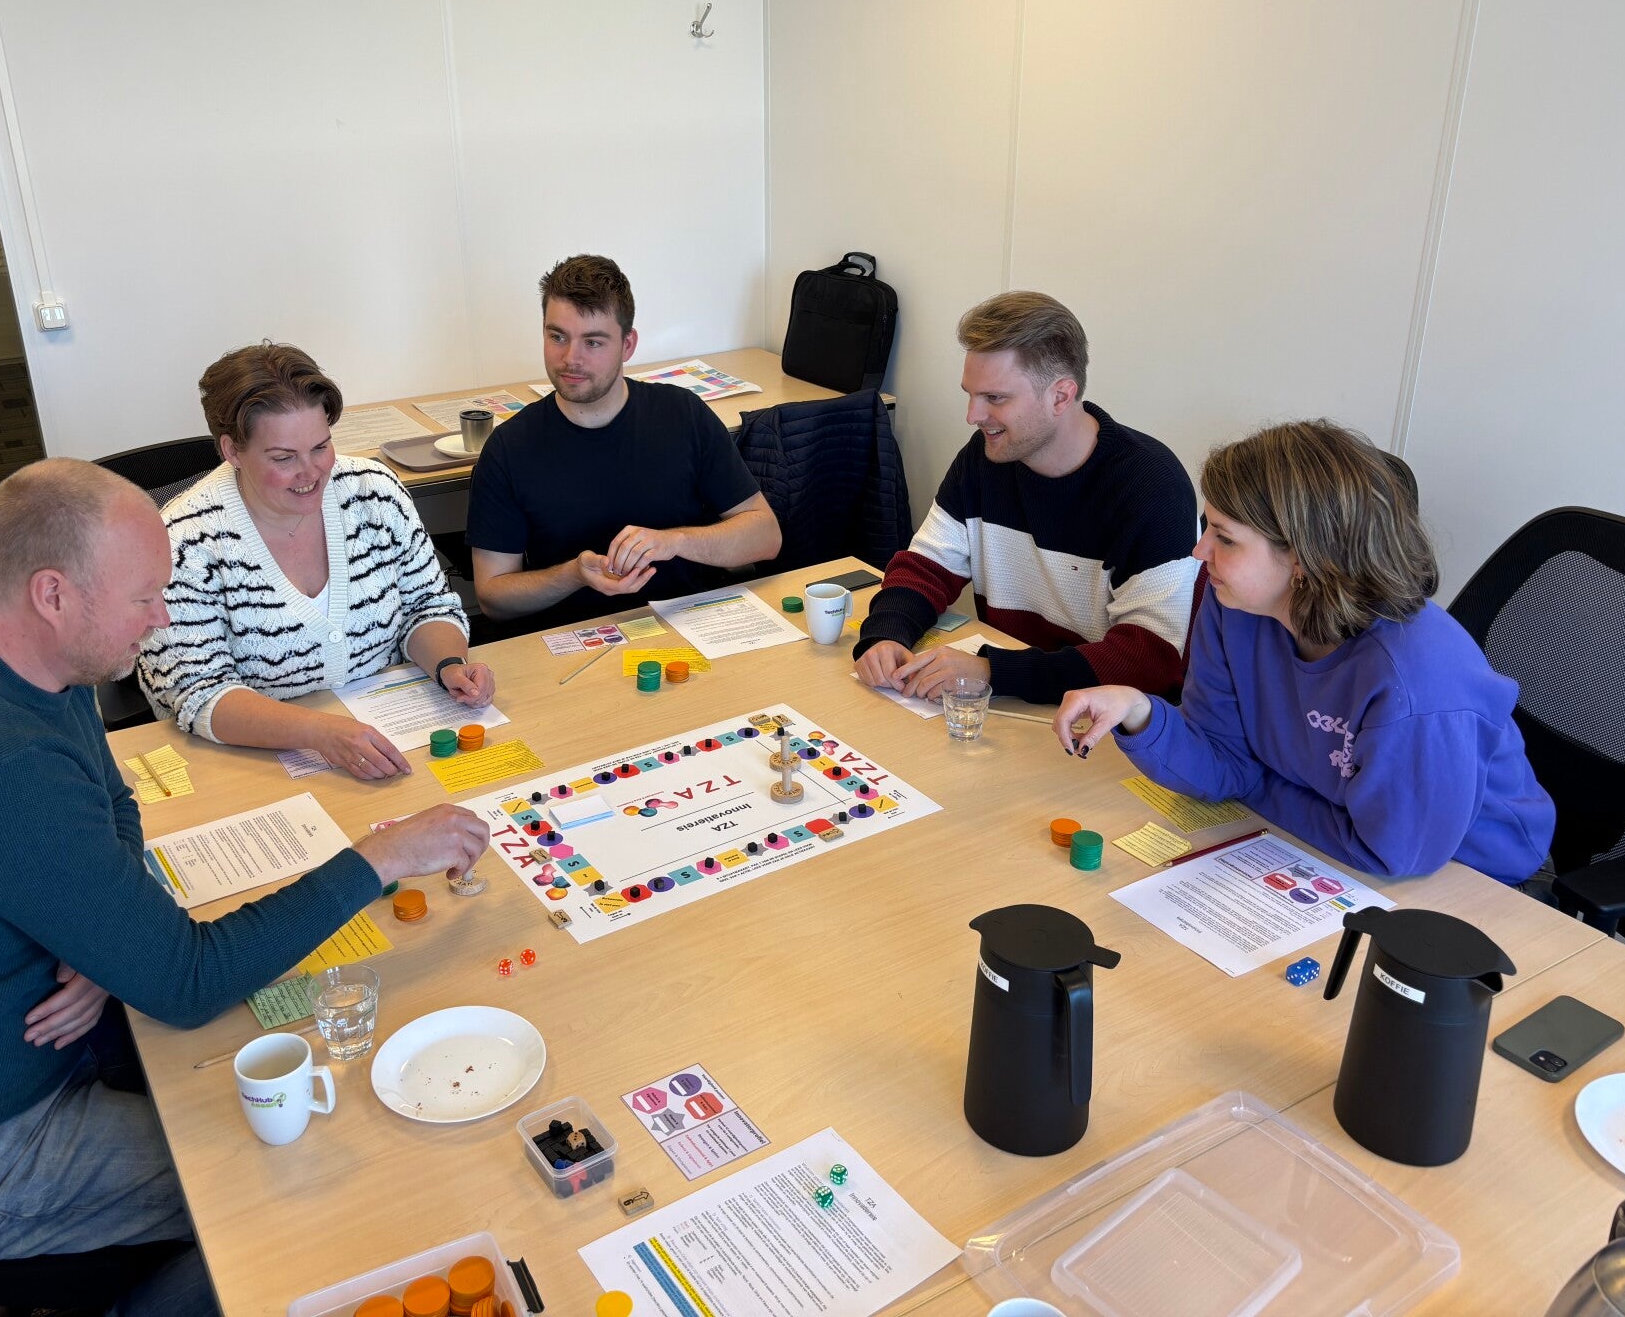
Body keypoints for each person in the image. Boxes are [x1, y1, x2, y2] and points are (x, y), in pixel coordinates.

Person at [0, 459, 489, 1310]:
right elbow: (187, 983)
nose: (163, 617)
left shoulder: (4, 663)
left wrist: (102, 946)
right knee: (283, 1172)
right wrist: (381, 858)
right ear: (53, 594)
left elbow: (112, 800)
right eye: (145, 597)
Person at [1054, 420, 1555, 883]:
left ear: (1302, 557)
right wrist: (1139, 712)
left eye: (1225, 538)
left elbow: (1391, 853)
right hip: (1325, 843)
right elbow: (1224, 761)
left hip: (1477, 881)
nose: (1200, 552)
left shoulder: (1415, 676)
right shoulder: (1234, 606)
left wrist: (1256, 786)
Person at [139, 343, 494, 780]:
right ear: (232, 451)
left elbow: (427, 606)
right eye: (284, 458)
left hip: (383, 739)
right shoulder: (183, 542)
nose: (310, 473)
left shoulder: (374, 491)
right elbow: (198, 694)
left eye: (321, 447)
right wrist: (320, 733)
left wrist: (449, 665)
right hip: (251, 764)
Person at [853, 291, 1199, 705]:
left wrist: (993, 672)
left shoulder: (1151, 486)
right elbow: (926, 567)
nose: (972, 415)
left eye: (995, 398)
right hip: (1018, 702)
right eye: (970, 394)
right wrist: (887, 633)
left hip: (1107, 722)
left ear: (1061, 396)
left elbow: (1148, 660)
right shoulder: (984, 458)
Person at [467, 255, 781, 627]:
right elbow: (493, 597)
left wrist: (675, 542)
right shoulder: (509, 448)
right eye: (557, 337)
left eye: (593, 342)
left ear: (627, 345)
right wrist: (573, 574)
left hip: (686, 626)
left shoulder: (683, 414)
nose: (571, 358)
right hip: (574, 639)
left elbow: (765, 536)